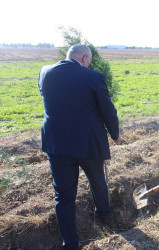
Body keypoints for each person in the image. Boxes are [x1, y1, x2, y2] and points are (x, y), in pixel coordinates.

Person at [38, 44, 120, 249]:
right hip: (88, 143)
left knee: (63, 196)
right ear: (84, 58)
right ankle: (105, 218)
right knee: (98, 182)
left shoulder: (45, 72)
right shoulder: (93, 77)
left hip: (57, 145)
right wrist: (115, 133)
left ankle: (70, 242)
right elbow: (107, 110)